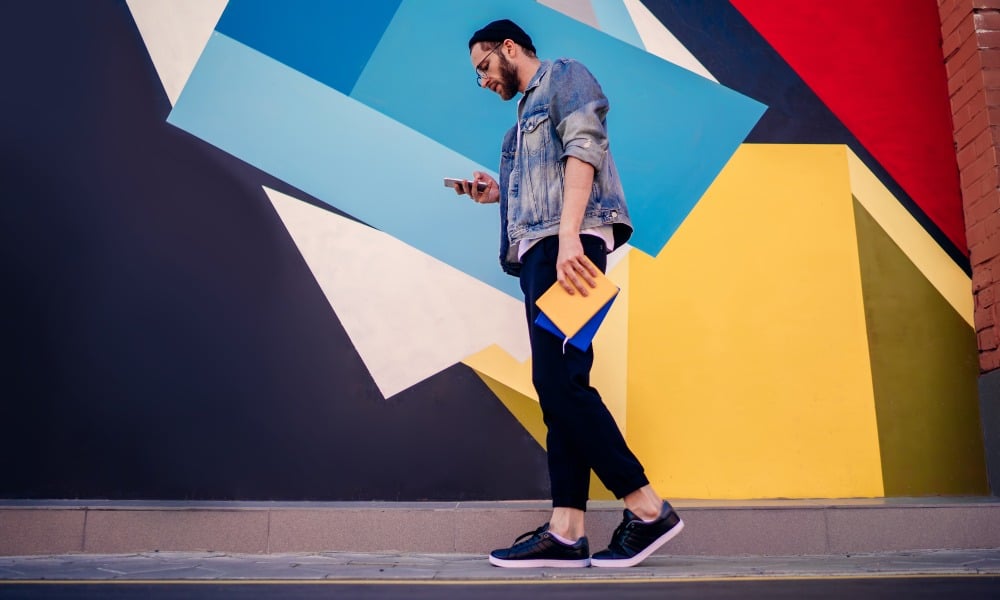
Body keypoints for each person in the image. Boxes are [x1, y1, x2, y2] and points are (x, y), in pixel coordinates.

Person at [453, 19, 684, 568]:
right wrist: (495, 194)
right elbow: (538, 187)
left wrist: (567, 240)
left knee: (558, 381)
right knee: (560, 383)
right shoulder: (516, 130)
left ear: (509, 48)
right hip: (543, 252)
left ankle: (647, 507)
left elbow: (585, 149)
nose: (483, 80)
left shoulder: (564, 77)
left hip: (571, 247)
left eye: (484, 66)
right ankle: (567, 527)